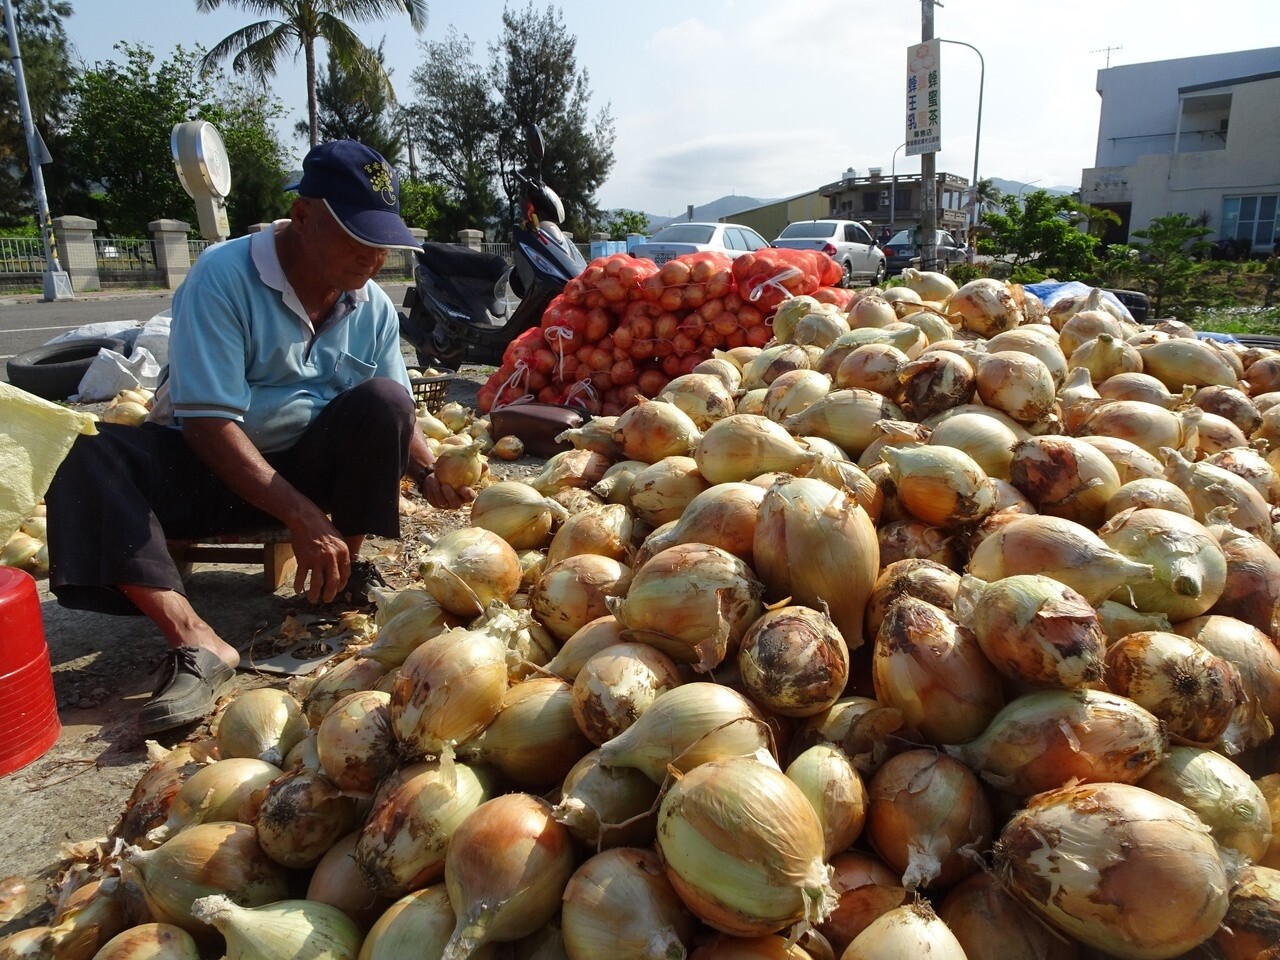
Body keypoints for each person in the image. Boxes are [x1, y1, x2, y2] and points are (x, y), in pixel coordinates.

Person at [45, 140, 473, 735]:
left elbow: (391, 402)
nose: (373, 257)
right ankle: (196, 642)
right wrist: (301, 515)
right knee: (88, 453)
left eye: (382, 243)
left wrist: (427, 473)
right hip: (204, 467)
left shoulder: (369, 304)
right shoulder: (223, 276)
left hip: (304, 461)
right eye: (357, 238)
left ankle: (341, 573)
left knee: (385, 401)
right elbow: (207, 425)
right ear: (302, 218)